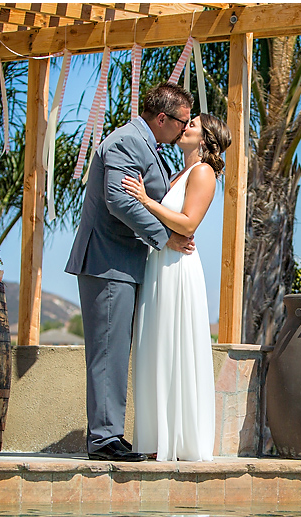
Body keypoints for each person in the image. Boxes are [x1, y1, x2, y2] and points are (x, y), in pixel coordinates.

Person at [64, 83, 195, 462]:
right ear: (161, 118)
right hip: (109, 263)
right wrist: (165, 237)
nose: (184, 129)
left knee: (116, 349)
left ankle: (109, 434)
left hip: (124, 264)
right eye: (182, 122)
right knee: (108, 351)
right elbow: (118, 198)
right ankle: (104, 440)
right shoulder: (126, 142)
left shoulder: (146, 146)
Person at [121, 113, 232, 461]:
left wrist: (144, 200)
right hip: (159, 266)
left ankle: (179, 441)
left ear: (205, 139)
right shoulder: (180, 174)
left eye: (192, 125)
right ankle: (157, 438)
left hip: (177, 269)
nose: (184, 127)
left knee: (173, 344)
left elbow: (187, 224)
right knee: (156, 345)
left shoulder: (203, 173)